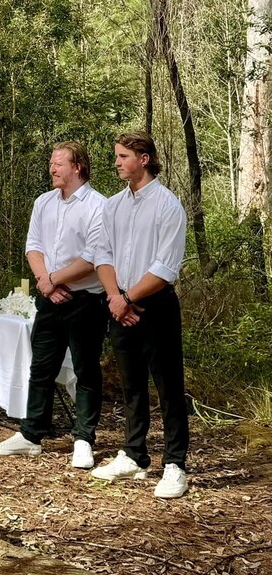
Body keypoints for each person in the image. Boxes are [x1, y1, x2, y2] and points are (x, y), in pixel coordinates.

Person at [0, 142, 109, 469]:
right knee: (41, 368)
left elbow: (94, 258)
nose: (52, 169)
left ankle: (83, 439)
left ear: (78, 167)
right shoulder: (44, 202)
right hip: (50, 298)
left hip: (86, 301)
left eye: (58, 163)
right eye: (51, 163)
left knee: (85, 370)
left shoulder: (99, 206)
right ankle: (30, 436)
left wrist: (53, 279)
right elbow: (33, 246)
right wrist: (46, 282)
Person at [92, 131, 189, 499]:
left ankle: (175, 464)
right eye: (116, 156)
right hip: (120, 305)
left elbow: (166, 267)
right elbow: (102, 254)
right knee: (131, 384)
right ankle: (134, 454)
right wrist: (116, 298)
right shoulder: (113, 205)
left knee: (168, 387)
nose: (116, 162)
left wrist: (127, 298)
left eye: (122, 156)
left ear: (143, 158)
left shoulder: (167, 205)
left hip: (156, 306)